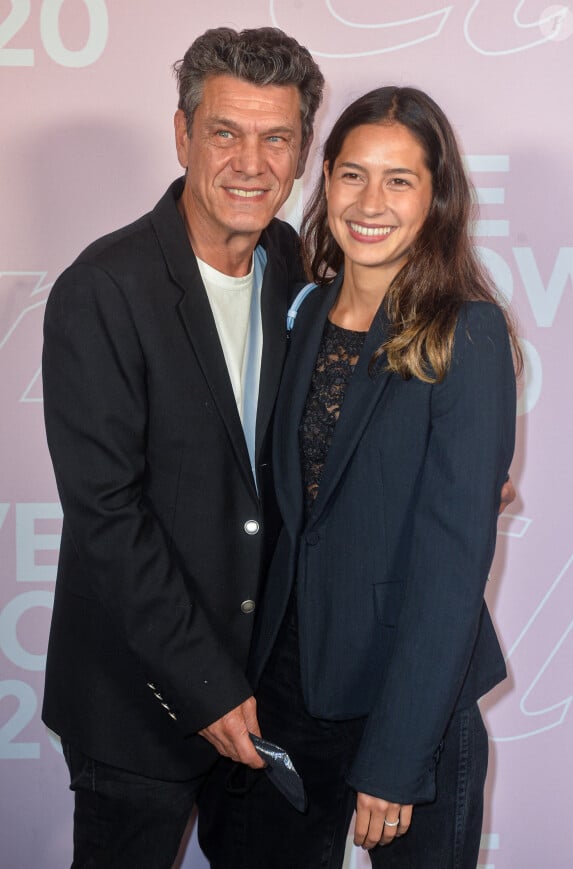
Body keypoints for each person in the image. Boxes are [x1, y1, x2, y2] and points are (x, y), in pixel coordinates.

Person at [204, 86, 521, 869]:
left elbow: (451, 572)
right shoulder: (302, 309)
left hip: (409, 698)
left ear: (436, 198)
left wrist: (397, 755)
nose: (370, 201)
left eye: (400, 179)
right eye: (352, 174)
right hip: (283, 692)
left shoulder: (465, 333)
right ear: (326, 180)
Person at [41, 27, 324, 869]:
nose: (251, 162)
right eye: (226, 132)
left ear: (303, 150)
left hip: (268, 701)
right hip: (136, 698)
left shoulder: (288, 258)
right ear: (182, 135)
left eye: (276, 137)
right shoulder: (103, 288)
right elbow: (107, 515)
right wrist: (207, 684)